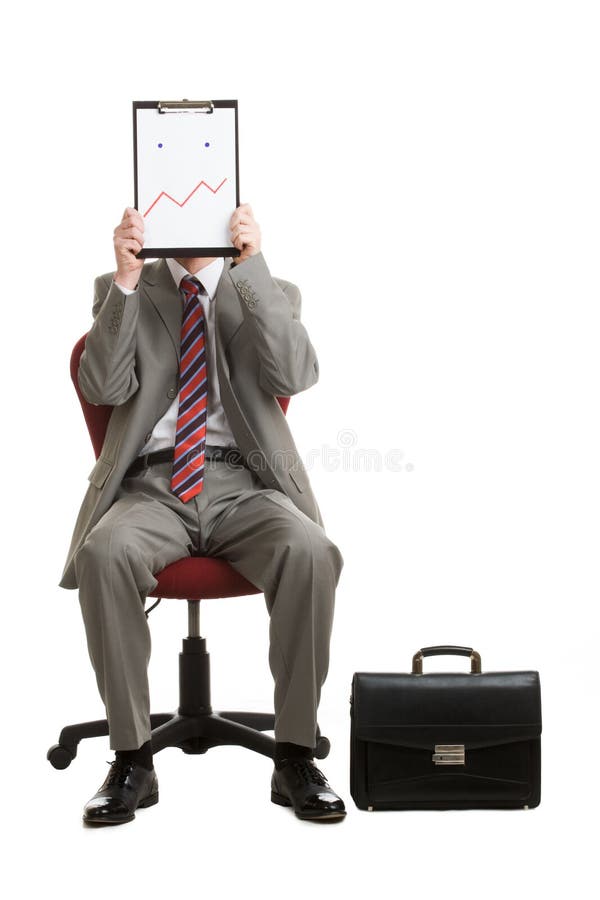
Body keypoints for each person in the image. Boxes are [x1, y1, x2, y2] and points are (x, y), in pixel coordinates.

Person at [59, 202, 346, 825]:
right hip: (152, 486)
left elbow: (296, 374)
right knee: (104, 552)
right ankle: (132, 757)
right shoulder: (121, 290)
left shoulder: (268, 289)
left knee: (312, 551)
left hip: (243, 483)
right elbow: (102, 389)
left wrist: (253, 268)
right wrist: (129, 281)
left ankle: (295, 753)